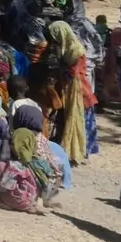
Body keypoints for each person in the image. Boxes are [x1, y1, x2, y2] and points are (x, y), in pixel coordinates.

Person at [0, 127, 56, 215]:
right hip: (34, 197)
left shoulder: (16, 166)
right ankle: (35, 205)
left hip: (20, 200)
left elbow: (4, 187)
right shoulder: (40, 161)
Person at [46, 21, 98, 162]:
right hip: (68, 90)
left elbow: (72, 73)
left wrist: (58, 72)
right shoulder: (64, 49)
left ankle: (80, 151)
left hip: (79, 91)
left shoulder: (76, 51)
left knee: (79, 118)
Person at [63, 0, 104, 93]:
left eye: (69, 7)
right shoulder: (86, 22)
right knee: (87, 90)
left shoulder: (73, 24)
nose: (66, 9)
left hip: (80, 62)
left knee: (79, 93)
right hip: (89, 61)